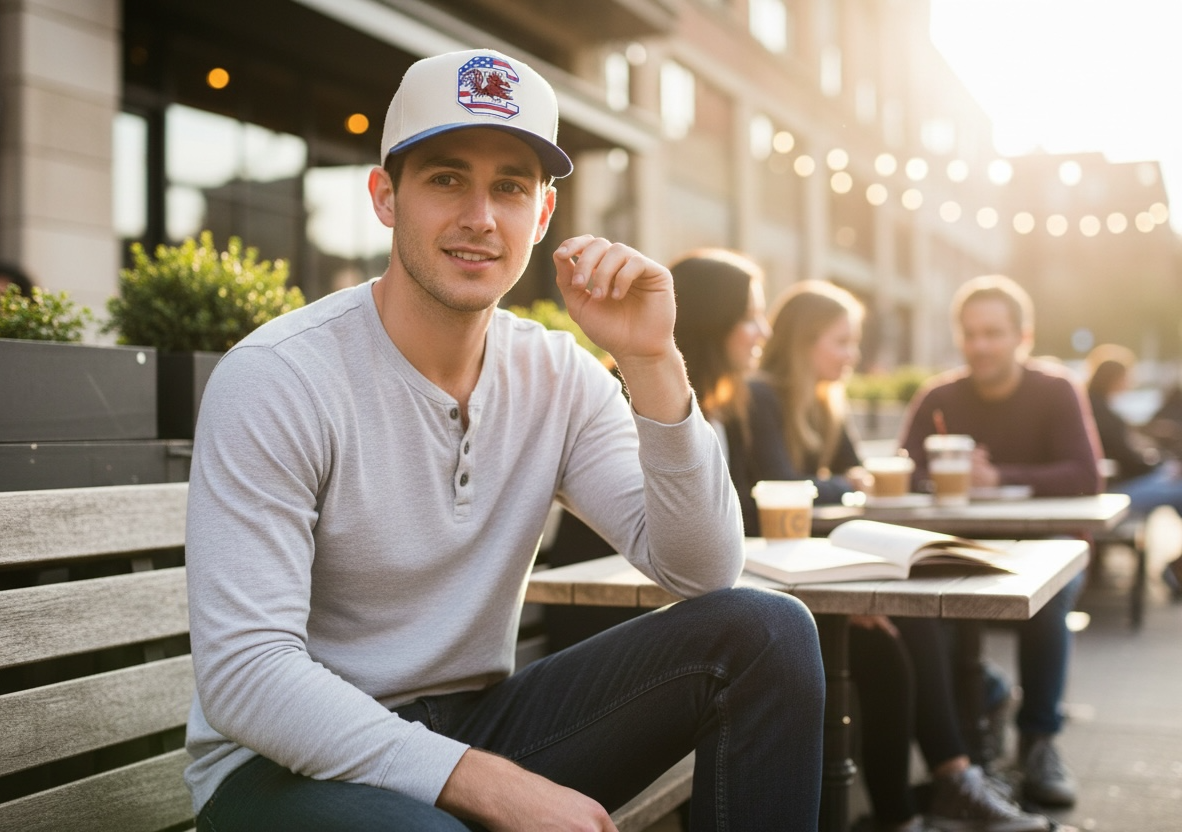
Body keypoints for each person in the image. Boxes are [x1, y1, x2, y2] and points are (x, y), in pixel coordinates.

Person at [182, 48, 825, 831]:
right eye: (447, 178)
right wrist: (483, 784)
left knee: (767, 633)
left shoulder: (557, 373)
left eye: (510, 187)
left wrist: (650, 361)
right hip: (279, 767)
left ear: (543, 216)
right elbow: (248, 675)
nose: (480, 218)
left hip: (478, 723)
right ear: (386, 197)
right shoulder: (280, 377)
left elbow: (701, 569)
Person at [672, 261, 1046, 832]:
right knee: (901, 627)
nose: (763, 331)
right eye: (750, 317)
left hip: (758, 583)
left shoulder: (779, 400)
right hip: (724, 601)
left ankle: (935, 791)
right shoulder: (744, 400)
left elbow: (776, 501)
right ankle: (945, 783)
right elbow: (758, 505)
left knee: (903, 624)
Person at [900, 274, 1103, 809]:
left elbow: (1086, 475)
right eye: (970, 334)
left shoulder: (1056, 389)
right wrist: (940, 476)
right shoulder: (938, 397)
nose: (980, 345)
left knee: (1046, 592)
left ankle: (1038, 740)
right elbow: (905, 469)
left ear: (1023, 336)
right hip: (956, 550)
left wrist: (1002, 479)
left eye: (993, 333)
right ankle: (974, 733)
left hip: (1045, 549)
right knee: (918, 601)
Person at [1085, 344, 1182, 594]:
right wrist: (1161, 465)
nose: (1131, 382)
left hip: (1113, 487)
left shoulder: (1096, 405)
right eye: (1128, 377)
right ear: (1115, 378)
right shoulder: (1101, 411)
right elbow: (1132, 460)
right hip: (1113, 494)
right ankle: (1176, 570)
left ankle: (1177, 569)